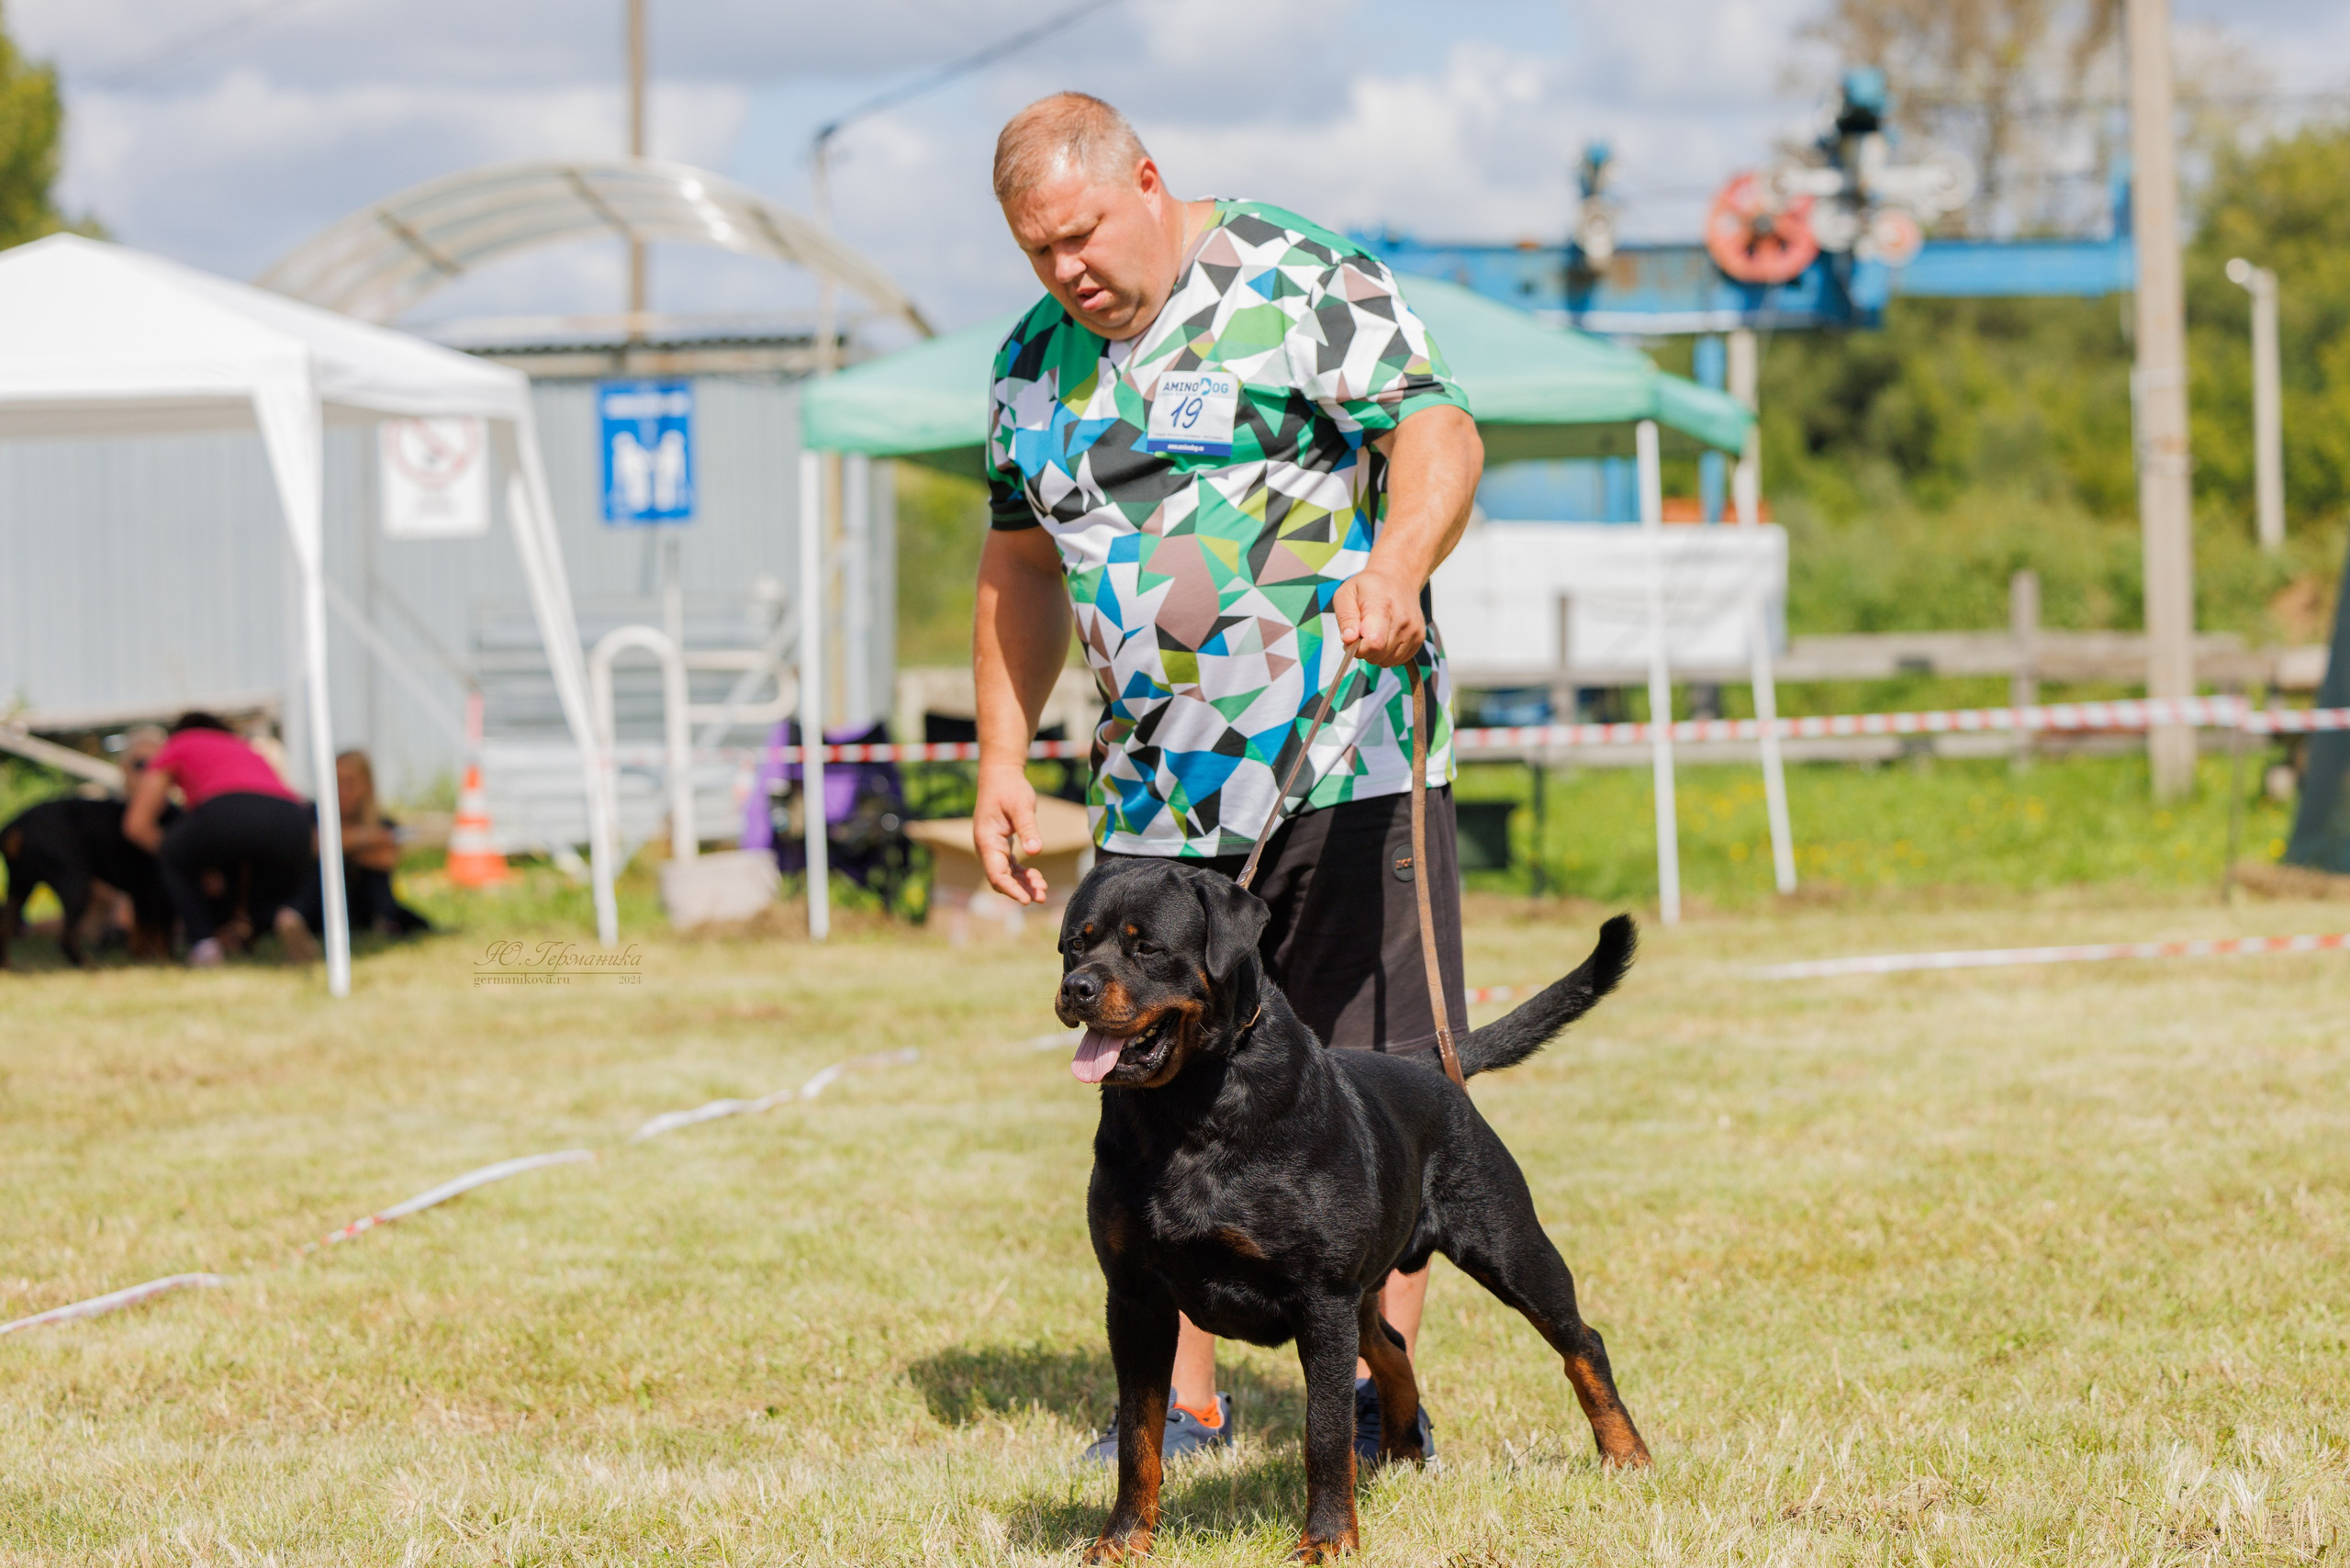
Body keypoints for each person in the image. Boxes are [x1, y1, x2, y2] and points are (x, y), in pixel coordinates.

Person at [972, 93, 1483, 1466]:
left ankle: (1382, 1399)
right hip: (1159, 806)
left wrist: (1397, 566)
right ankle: (1181, 1405)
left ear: (1148, 181)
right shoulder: (1031, 369)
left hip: (1348, 757)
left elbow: (1439, 432)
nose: (1069, 270)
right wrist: (1004, 759)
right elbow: (1021, 565)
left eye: (1083, 234)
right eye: (1039, 252)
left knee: (1373, 1077)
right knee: (1159, 1086)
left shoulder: (1292, 277)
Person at [124, 713, 319, 968]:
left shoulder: (179, 743)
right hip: (291, 817)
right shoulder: (245, 749)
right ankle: (286, 915)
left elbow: (137, 825)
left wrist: (189, 866)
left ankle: (205, 946)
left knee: (171, 850)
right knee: (264, 879)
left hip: (225, 810)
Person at [291, 750, 432, 940]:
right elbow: (313, 845)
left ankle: (383, 922)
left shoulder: (383, 821)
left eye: (349, 783)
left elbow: (386, 859)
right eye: (336, 782)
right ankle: (294, 923)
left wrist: (342, 845)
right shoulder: (310, 814)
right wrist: (367, 839)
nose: (341, 791)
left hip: (364, 904)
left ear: (366, 786)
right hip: (319, 907)